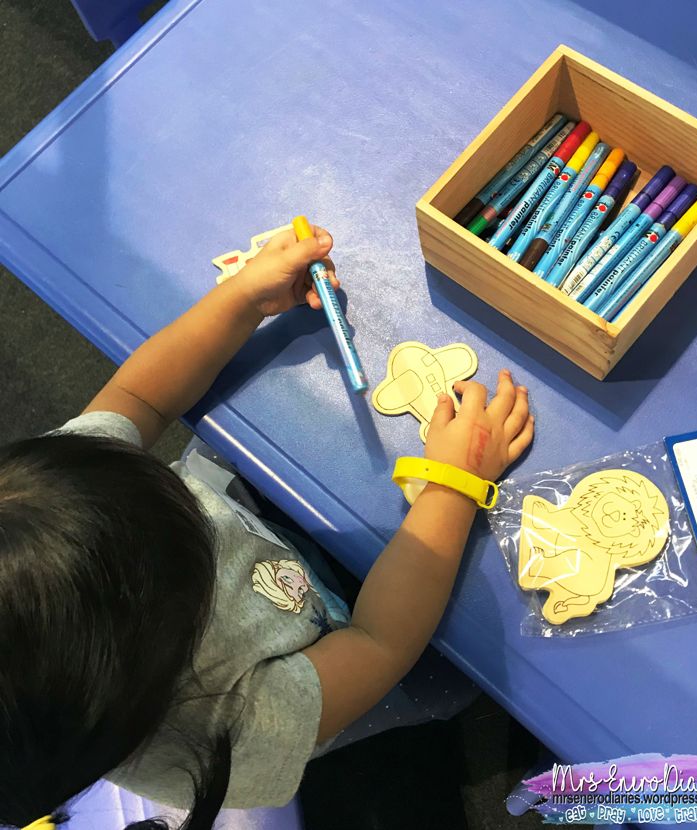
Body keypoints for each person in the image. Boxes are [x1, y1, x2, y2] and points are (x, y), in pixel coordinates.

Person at [0, 225, 533, 830]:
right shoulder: (223, 733)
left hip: (250, 525)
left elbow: (138, 397)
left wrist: (244, 297)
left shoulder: (37, 509)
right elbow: (380, 643)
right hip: (343, 648)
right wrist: (454, 483)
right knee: (452, 677)